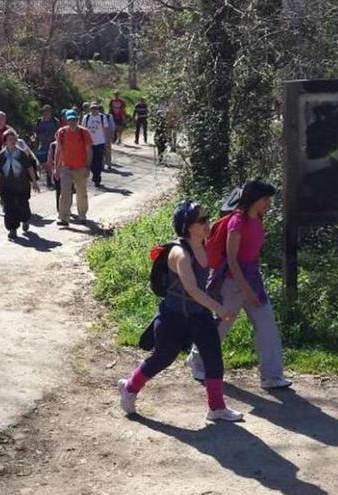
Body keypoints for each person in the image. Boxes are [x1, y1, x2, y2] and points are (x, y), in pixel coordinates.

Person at [118, 201, 243, 422]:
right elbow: (193, 289)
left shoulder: (203, 244)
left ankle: (216, 408)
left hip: (199, 314)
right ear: (188, 227)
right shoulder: (179, 253)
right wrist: (220, 309)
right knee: (163, 358)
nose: (208, 223)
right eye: (202, 220)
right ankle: (130, 387)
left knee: (213, 355)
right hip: (173, 316)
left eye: (208, 217)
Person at [187, 179, 292, 389]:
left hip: (252, 281)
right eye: (265, 199)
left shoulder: (257, 219)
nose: (268, 203)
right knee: (221, 325)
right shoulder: (236, 222)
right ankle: (197, 361)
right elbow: (232, 260)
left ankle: (271, 376)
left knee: (267, 326)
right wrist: (246, 290)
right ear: (254, 199)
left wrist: (254, 285)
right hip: (231, 283)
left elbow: (252, 253)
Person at [0, 130, 40, 239]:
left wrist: (34, 182)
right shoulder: (1, 155)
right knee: (9, 208)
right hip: (6, 187)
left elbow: (29, 168)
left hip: (21, 185)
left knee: (22, 205)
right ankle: (12, 229)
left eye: (14, 139)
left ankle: (25, 220)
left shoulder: (22, 153)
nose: (13, 142)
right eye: (10, 140)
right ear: (5, 141)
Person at [53, 110, 93, 225]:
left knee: (81, 192)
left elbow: (89, 150)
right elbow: (58, 150)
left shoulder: (84, 132)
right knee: (65, 193)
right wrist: (56, 167)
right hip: (66, 167)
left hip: (81, 167)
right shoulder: (61, 132)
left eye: (74, 120)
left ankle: (82, 216)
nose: (72, 122)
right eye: (70, 120)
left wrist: (87, 166)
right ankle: (64, 218)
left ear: (77, 119)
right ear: (66, 120)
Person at [82, 102, 110, 188]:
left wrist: (107, 141)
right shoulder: (86, 118)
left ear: (98, 109)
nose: (94, 110)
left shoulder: (102, 117)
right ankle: (95, 175)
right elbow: (83, 130)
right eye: (92, 108)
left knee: (98, 161)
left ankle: (97, 178)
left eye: (95, 108)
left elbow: (105, 129)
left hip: (100, 142)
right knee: (91, 162)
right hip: (89, 143)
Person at [33, 105, 60, 188]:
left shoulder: (55, 122)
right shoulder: (39, 122)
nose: (46, 113)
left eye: (48, 111)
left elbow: (59, 132)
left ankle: (51, 181)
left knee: (52, 163)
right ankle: (47, 178)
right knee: (44, 163)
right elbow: (35, 133)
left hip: (53, 145)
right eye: (45, 111)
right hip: (42, 145)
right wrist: (35, 143)